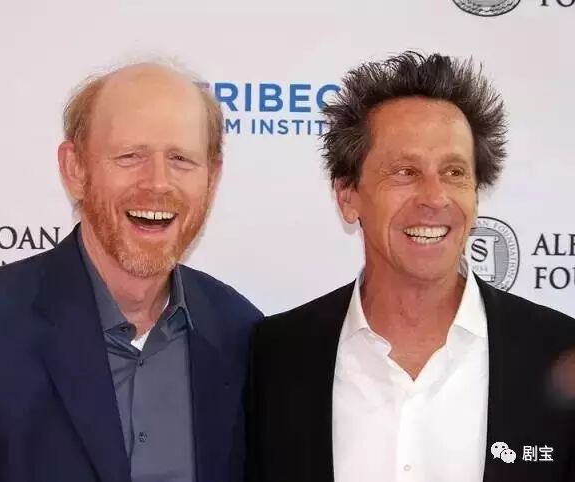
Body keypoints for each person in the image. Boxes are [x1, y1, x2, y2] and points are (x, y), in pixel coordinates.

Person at [246, 52, 575, 482]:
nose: (435, 198)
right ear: (348, 196)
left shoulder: (560, 354)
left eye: (454, 172)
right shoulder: (274, 358)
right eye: (405, 171)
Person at [0, 62, 262, 482]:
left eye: (181, 159)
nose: (157, 183)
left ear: (212, 179)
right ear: (75, 169)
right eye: (130, 156)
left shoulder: (240, 332)